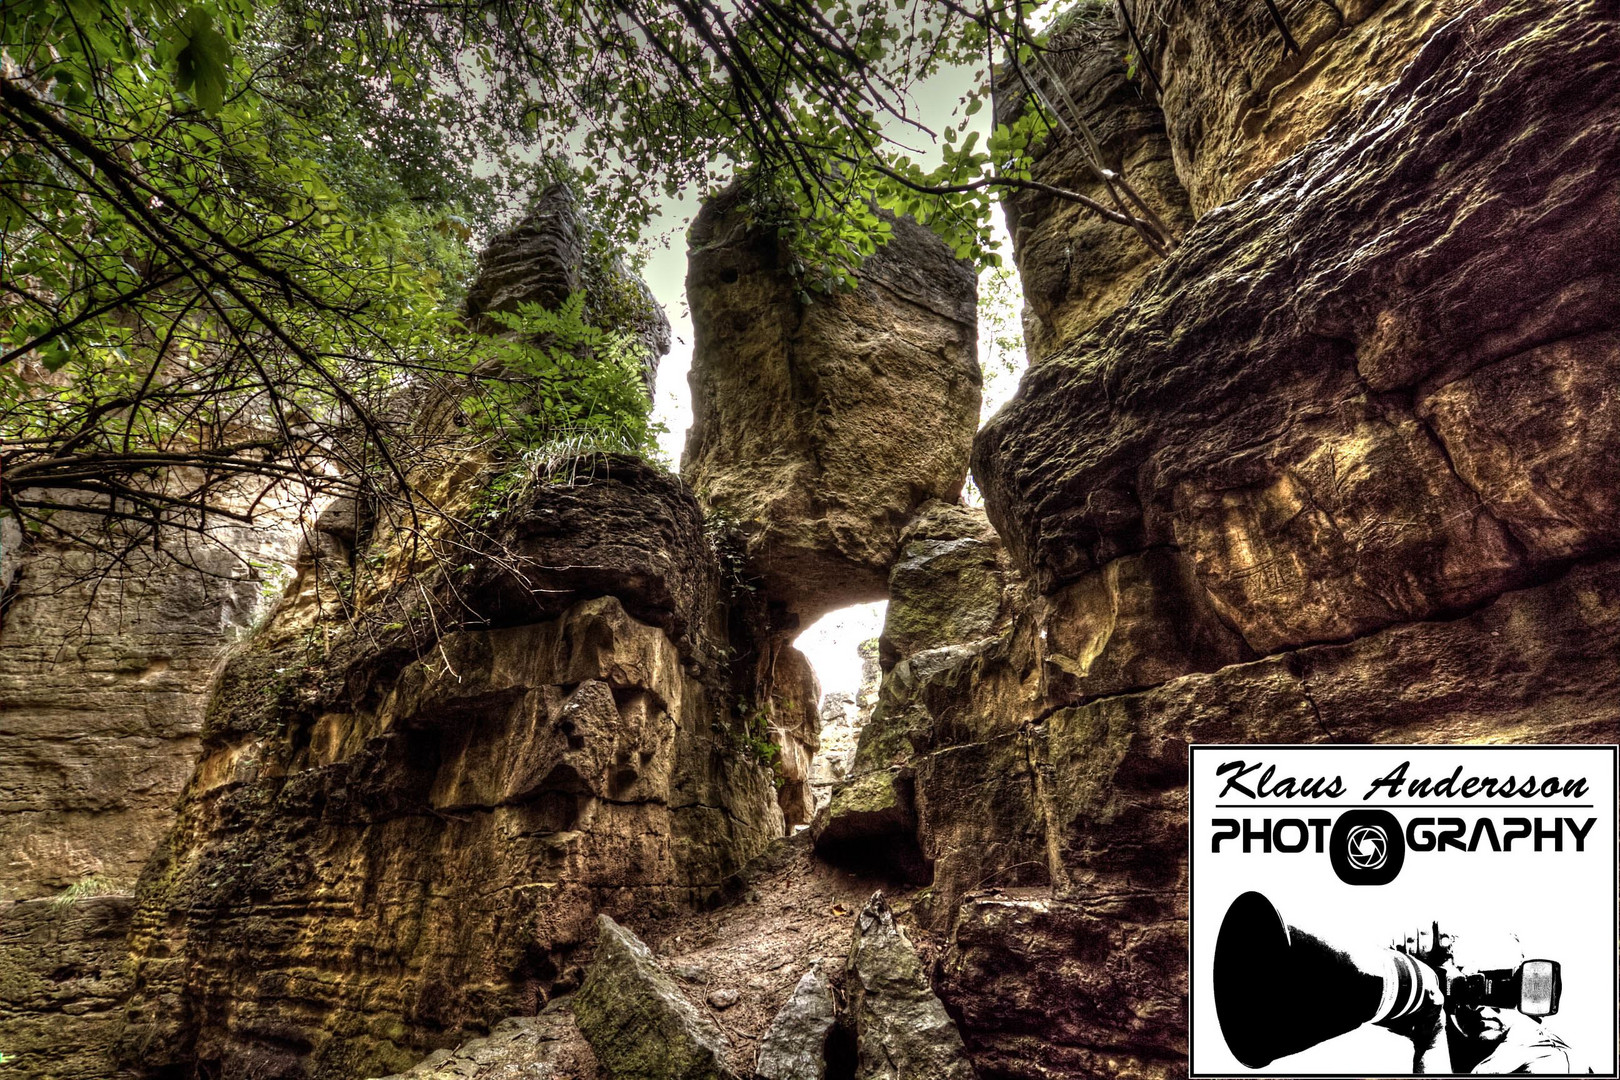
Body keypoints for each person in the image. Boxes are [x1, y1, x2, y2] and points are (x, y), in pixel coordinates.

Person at [1383, 926, 1590, 1074]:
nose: (1479, 1005)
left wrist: (1429, 1046)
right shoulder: (1455, 1039)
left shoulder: (1549, 1063)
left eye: (1499, 985)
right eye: (1467, 986)